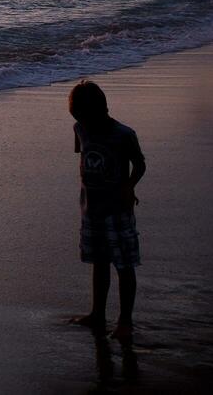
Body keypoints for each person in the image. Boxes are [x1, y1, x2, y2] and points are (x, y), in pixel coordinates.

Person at [68, 80, 146, 340]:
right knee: (99, 262)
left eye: (86, 117)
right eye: (79, 117)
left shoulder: (124, 134)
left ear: (102, 110)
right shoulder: (80, 128)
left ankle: (125, 321)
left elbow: (140, 165)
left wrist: (129, 185)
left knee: (123, 265)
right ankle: (97, 314)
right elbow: (84, 157)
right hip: (91, 209)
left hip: (117, 211)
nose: (83, 122)